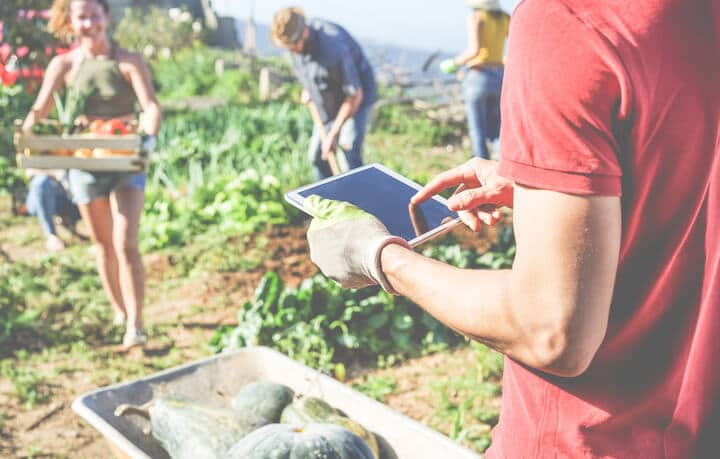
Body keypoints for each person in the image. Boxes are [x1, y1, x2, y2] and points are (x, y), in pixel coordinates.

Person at [304, 0, 720, 457]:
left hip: (586, 441)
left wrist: (379, 255)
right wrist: (559, 189)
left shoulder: (565, 21)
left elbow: (551, 330)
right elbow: (687, 174)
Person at [22, 0, 162, 348]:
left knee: (126, 243)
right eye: (81, 17)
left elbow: (150, 106)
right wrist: (26, 141)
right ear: (71, 22)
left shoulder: (128, 61)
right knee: (103, 246)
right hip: (85, 164)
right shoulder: (64, 64)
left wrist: (149, 135)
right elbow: (40, 109)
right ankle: (119, 309)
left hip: (125, 159)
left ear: (106, 17)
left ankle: (137, 323)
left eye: (94, 15)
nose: (89, 23)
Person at [271, 7, 377, 180]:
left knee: (349, 158)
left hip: (355, 99)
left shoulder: (333, 49)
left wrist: (334, 134)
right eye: (287, 48)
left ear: (304, 32)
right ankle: (329, 199)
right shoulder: (297, 45)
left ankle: (359, 201)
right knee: (318, 156)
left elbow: (354, 95)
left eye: (292, 46)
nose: (291, 51)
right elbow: (312, 71)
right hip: (329, 99)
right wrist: (309, 90)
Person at [440, 0, 509, 160]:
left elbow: (474, 50)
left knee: (477, 130)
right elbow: (514, 46)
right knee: (498, 129)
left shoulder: (477, 17)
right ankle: (503, 166)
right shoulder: (505, 18)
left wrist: (454, 63)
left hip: (479, 76)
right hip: (500, 75)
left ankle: (480, 170)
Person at [24, 169, 81, 252]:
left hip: (65, 196)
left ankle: (69, 221)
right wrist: (54, 173)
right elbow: (29, 172)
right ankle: (51, 235)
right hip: (39, 199)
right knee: (41, 182)